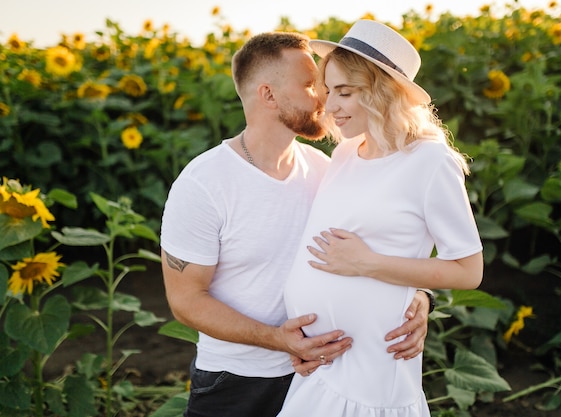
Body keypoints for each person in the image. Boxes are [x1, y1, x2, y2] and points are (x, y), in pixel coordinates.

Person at [160, 30, 434, 417]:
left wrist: (419, 298)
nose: (325, 96)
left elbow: (379, 249)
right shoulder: (203, 184)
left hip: (328, 373)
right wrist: (277, 340)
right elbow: (186, 301)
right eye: (310, 85)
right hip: (238, 381)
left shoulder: (330, 168)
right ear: (268, 95)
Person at [278, 20, 484, 417]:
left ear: (383, 92)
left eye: (345, 92)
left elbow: (468, 270)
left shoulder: (429, 161)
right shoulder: (344, 155)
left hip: (373, 364)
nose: (330, 106)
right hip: (323, 364)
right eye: (328, 91)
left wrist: (368, 264)